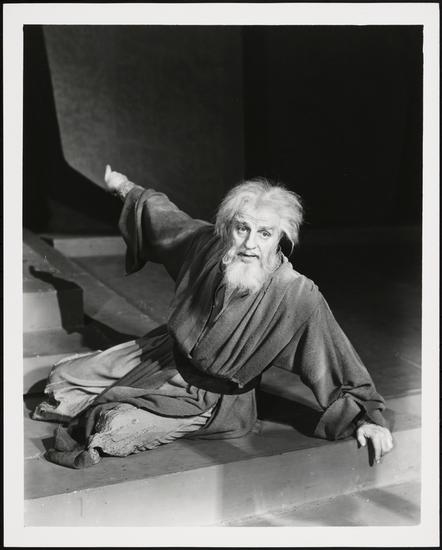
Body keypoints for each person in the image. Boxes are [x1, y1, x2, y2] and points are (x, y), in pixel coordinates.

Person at [34, 166, 394, 468]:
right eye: (242, 228)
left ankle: (137, 413)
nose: (250, 244)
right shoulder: (208, 245)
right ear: (228, 226)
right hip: (163, 357)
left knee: (111, 427)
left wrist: (367, 418)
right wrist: (124, 187)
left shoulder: (298, 295)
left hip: (211, 398)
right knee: (60, 380)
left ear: (281, 237)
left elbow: (338, 362)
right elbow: (166, 218)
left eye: (265, 233)